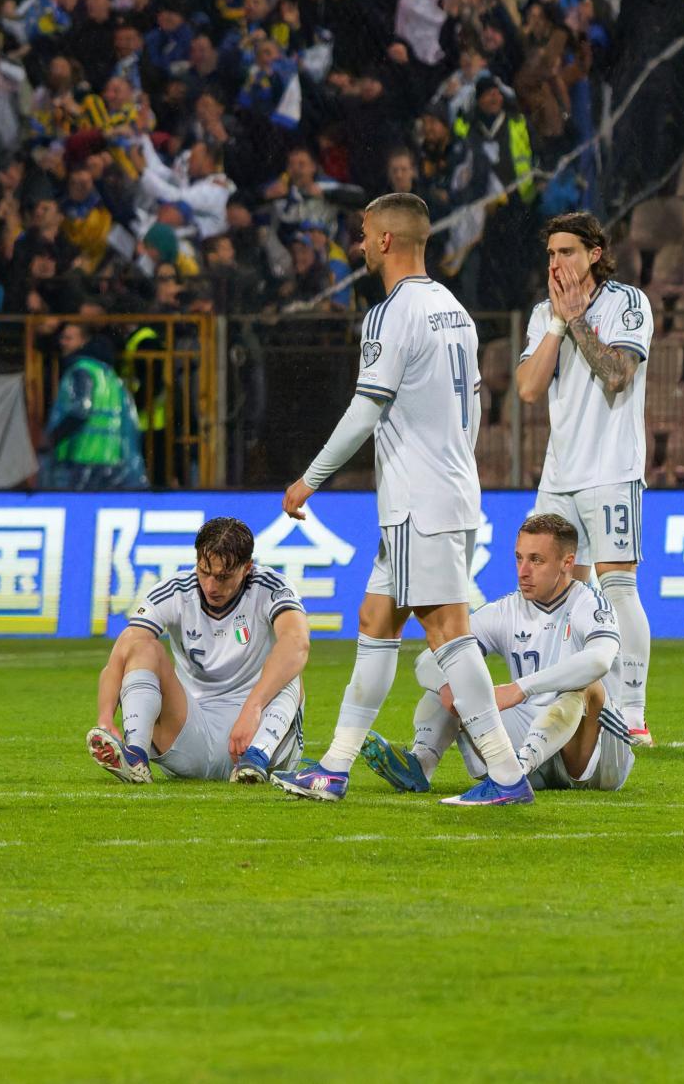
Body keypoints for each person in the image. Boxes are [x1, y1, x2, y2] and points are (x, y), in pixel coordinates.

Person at [275, 193, 532, 806]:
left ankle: (504, 774)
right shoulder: (455, 310)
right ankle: (334, 769)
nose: (358, 244)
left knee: (448, 633)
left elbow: (367, 406)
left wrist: (310, 478)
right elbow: (471, 410)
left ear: (386, 241)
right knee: (376, 620)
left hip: (421, 501)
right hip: (443, 490)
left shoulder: (390, 315)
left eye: (363, 234)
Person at [362, 515, 634, 796]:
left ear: (567, 563)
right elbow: (428, 660)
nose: (523, 571)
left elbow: (599, 661)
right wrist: (448, 687)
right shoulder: (505, 610)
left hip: (593, 755)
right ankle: (420, 763)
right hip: (530, 739)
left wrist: (519, 689)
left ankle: (512, 776)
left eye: (536, 560)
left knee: (588, 687)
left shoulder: (590, 604)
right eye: (519, 558)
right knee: (453, 672)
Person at [513, 213, 655, 746]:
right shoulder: (541, 314)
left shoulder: (628, 302)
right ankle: (561, 701)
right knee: (556, 591)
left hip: (613, 469)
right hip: (560, 473)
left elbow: (618, 374)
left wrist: (576, 321)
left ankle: (633, 712)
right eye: (550, 255)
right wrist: (556, 322)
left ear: (595, 254)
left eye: (567, 252)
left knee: (617, 588)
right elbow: (528, 388)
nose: (556, 264)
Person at [88, 517, 311, 786]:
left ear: (247, 568)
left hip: (259, 730)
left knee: (289, 664)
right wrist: (104, 719)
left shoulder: (272, 588)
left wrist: (252, 708)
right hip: (190, 733)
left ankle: (256, 758)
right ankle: (135, 756)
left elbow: (298, 642)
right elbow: (122, 653)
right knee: (142, 647)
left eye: (223, 577)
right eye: (204, 571)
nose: (211, 586)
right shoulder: (174, 592)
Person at [41, 320, 147, 491]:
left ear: (83, 341)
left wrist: (52, 438)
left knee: (76, 510)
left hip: (82, 455)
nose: (63, 343)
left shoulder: (81, 370)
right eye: (62, 338)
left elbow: (80, 411)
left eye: (68, 338)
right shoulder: (108, 374)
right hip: (110, 456)